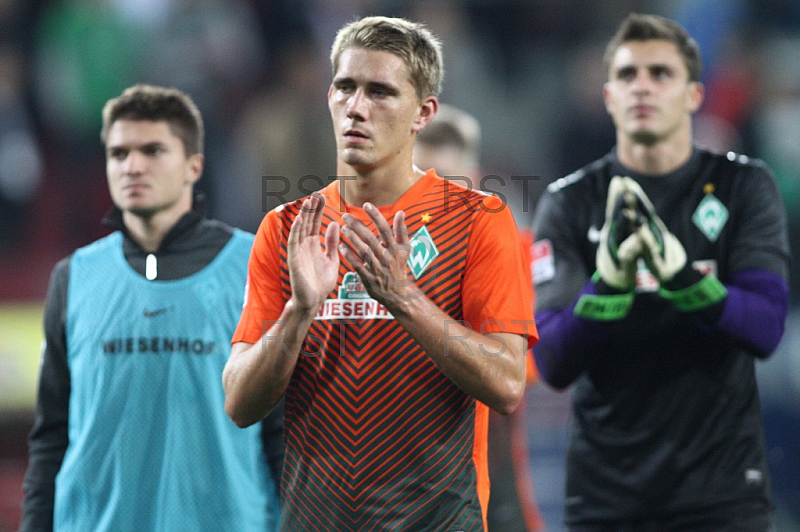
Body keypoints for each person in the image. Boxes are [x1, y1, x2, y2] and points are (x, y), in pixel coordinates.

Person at [222, 16, 537, 532]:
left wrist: (404, 299)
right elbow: (238, 402)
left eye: (381, 92)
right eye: (345, 87)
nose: (356, 107)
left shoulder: (479, 221)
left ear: (423, 113)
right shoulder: (286, 229)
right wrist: (298, 312)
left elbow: (506, 384)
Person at [531, 13, 790, 531]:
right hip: (607, 497)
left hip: (722, 495)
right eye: (627, 75)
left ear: (695, 95)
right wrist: (610, 287)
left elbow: (765, 328)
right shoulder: (570, 203)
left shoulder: (744, 187)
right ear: (608, 98)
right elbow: (553, 360)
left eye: (660, 73)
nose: (642, 87)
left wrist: (685, 280)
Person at [20, 85, 281, 531]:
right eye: (118, 153)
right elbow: (51, 438)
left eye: (153, 150)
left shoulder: (255, 266)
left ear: (194, 166)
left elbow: (285, 435)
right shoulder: (74, 277)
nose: (132, 166)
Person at [414, 104, 544, 532]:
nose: (434, 197)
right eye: (423, 179)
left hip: (485, 456)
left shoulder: (509, 248)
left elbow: (510, 380)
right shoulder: (377, 255)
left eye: (447, 182)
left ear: (472, 178)